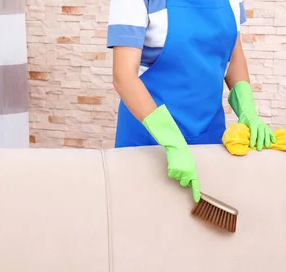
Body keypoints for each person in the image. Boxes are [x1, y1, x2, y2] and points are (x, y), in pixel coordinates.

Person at [107, 0, 274, 202]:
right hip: (148, 142)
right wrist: (171, 141)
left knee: (203, 227)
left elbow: (233, 54)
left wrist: (247, 110)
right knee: (142, 222)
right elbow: (124, 76)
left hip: (208, 138)